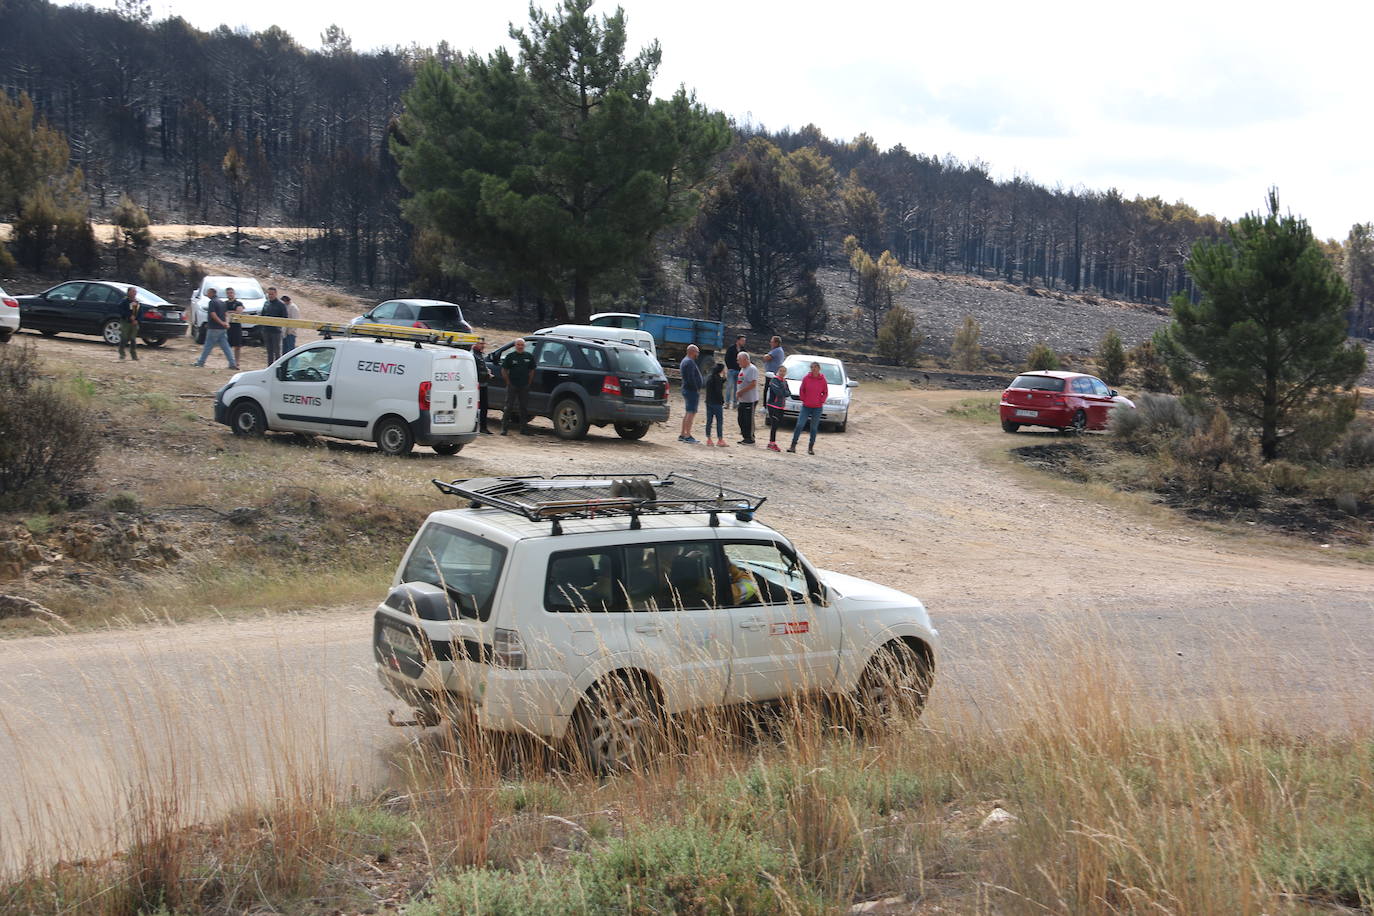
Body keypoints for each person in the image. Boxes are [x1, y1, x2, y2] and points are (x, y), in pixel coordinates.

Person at [789, 361, 828, 455]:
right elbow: (802, 390)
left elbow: (825, 392)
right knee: (799, 425)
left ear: (819, 368)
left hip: (817, 407)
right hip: (806, 406)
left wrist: (821, 400)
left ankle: (810, 447)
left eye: (815, 367)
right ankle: (793, 445)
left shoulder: (823, 380)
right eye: (812, 368)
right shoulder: (806, 378)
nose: (814, 369)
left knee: (814, 428)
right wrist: (804, 399)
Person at [191, 287, 237, 368]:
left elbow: (213, 315)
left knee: (208, 346)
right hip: (222, 329)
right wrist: (226, 323)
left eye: (208, 293)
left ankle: (201, 362)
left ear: (212, 293)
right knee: (226, 347)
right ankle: (232, 363)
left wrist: (222, 323)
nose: (207, 294)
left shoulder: (212, 302)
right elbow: (226, 314)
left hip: (214, 328)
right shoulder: (222, 303)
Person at [500, 338, 536, 435]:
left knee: (523, 408)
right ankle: (504, 429)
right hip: (512, 385)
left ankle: (523, 429)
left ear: (524, 346)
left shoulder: (528, 356)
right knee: (508, 407)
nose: (520, 347)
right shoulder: (510, 356)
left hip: (524, 386)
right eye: (518, 345)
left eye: (522, 345)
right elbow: (504, 369)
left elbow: (532, 369)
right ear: (515, 346)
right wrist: (508, 382)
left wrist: (529, 382)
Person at [678, 344, 703, 444]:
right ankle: (687, 435)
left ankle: (683, 434)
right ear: (692, 351)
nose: (698, 354)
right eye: (697, 352)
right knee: (691, 413)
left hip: (687, 389)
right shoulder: (689, 362)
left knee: (688, 412)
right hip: (691, 390)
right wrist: (696, 388)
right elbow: (691, 378)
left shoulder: (686, 361)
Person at [735, 351, 759, 445]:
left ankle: (750, 438)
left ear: (745, 359)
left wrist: (741, 392)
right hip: (743, 399)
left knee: (748, 420)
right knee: (741, 419)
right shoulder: (743, 369)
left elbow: (753, 384)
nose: (738, 362)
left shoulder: (752, 369)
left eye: (739, 360)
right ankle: (745, 437)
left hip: (750, 399)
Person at [764, 365, 789, 451]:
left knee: (777, 425)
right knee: (774, 425)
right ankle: (771, 443)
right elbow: (779, 393)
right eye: (781, 371)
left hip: (781, 407)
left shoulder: (785, 381)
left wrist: (784, 391)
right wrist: (784, 391)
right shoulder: (774, 380)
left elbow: (788, 393)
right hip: (773, 406)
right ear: (778, 371)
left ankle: (772, 442)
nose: (782, 373)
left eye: (784, 371)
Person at [260, 286, 287, 364]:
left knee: (277, 351)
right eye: (269, 294)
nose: (270, 296)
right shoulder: (266, 303)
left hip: (276, 331)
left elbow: (285, 318)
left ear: (276, 294)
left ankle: (278, 367)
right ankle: (269, 367)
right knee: (269, 351)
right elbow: (262, 315)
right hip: (266, 330)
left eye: (272, 294)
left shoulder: (281, 304)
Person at [472, 339, 492, 434]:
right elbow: (476, 371)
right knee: (475, 407)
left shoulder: (480, 354)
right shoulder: (473, 355)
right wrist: (487, 374)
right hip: (476, 385)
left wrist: (487, 371)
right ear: (475, 344)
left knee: (484, 406)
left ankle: (483, 427)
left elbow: (482, 367)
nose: (482, 345)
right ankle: (475, 427)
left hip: (483, 384)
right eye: (480, 344)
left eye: (483, 343)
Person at [704, 362, 726, 447]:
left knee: (709, 421)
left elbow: (722, 381)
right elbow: (718, 391)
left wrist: (724, 376)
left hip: (709, 402)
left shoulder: (710, 378)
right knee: (719, 421)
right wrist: (722, 401)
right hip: (717, 403)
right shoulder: (717, 379)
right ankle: (720, 439)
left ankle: (709, 439)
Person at [224, 287, 246, 368]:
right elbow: (223, 313)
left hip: (236, 326)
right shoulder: (224, 303)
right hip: (227, 326)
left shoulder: (238, 303)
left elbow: (239, 312)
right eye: (228, 293)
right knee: (228, 345)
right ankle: (231, 362)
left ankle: (237, 362)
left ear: (234, 293)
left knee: (237, 346)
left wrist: (229, 312)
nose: (230, 294)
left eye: (231, 292)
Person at [117, 286, 139, 361]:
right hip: (125, 322)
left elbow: (140, 312)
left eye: (135, 292)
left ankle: (134, 355)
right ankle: (122, 354)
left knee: (133, 339)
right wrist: (129, 316)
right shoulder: (124, 302)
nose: (135, 293)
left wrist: (137, 320)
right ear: (129, 292)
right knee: (124, 338)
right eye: (133, 291)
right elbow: (120, 310)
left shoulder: (137, 302)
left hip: (134, 323)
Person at [723, 334, 744, 408]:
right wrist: (729, 367)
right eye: (742, 340)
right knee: (729, 387)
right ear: (738, 340)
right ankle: (727, 403)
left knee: (737, 388)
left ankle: (735, 403)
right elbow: (726, 358)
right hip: (731, 370)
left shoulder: (743, 350)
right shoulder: (731, 348)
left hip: (739, 371)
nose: (743, 342)